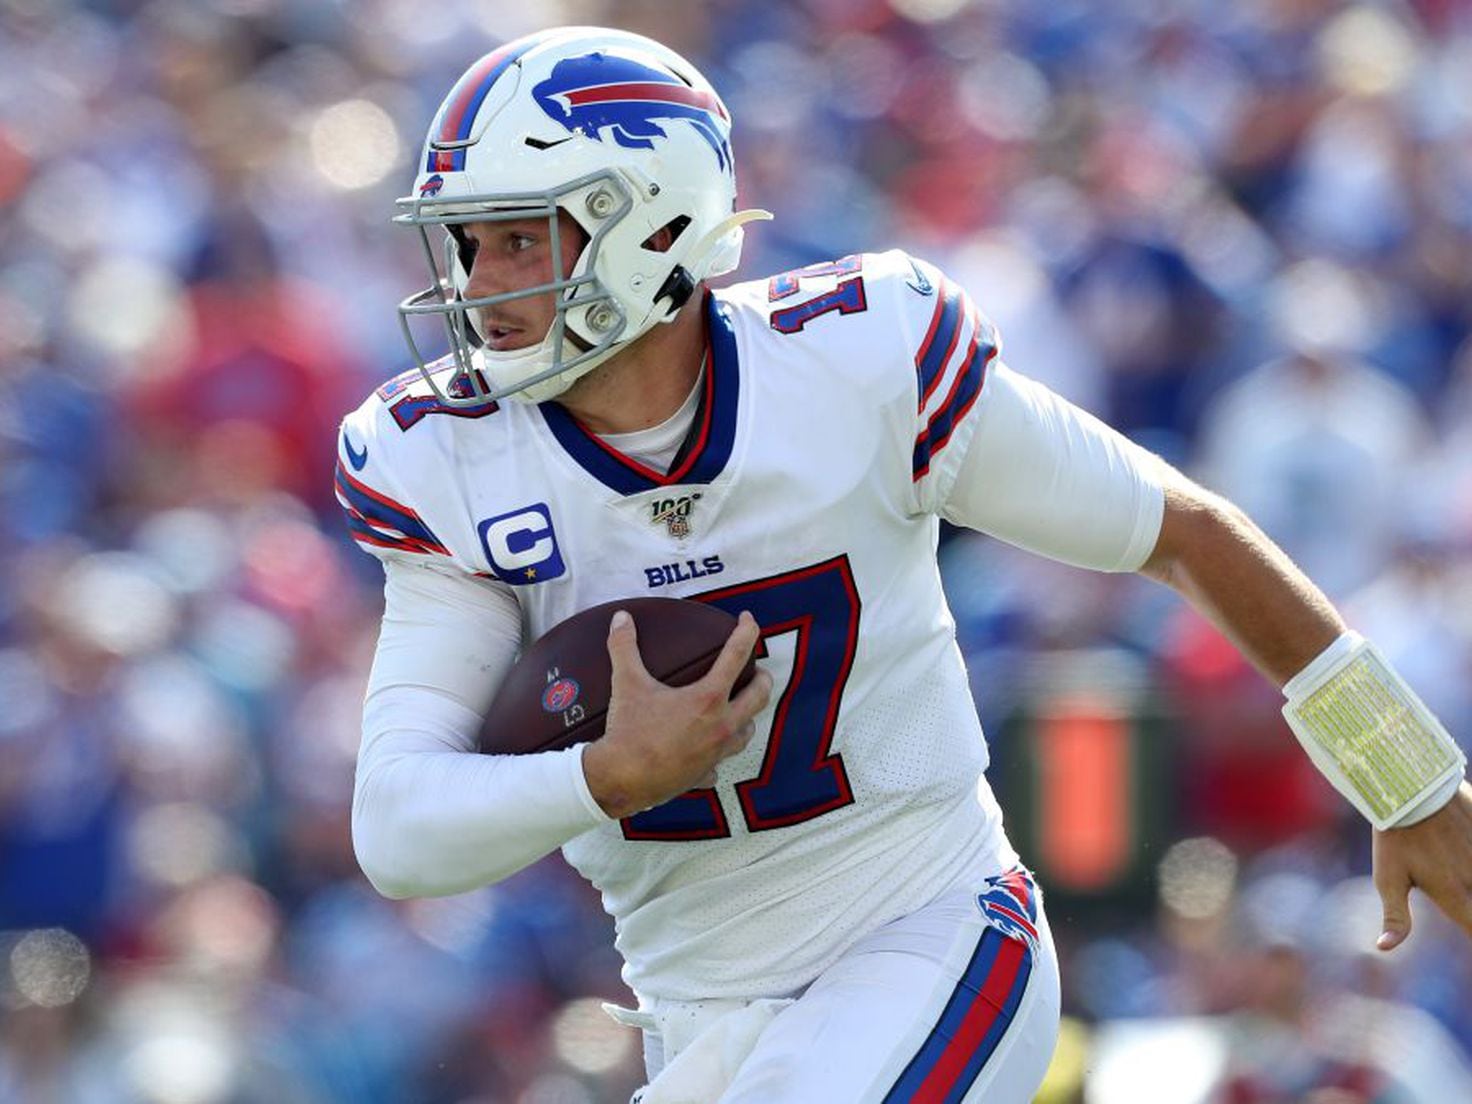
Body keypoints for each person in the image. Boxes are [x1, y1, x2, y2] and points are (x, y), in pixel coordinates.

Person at [336, 27, 1472, 1103]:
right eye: (468, 244)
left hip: (929, 934)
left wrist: (1405, 776)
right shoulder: (449, 461)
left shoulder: (856, 359)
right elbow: (397, 827)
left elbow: (1178, 530)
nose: (478, 285)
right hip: (700, 1017)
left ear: (650, 224)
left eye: (520, 237)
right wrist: (600, 779)